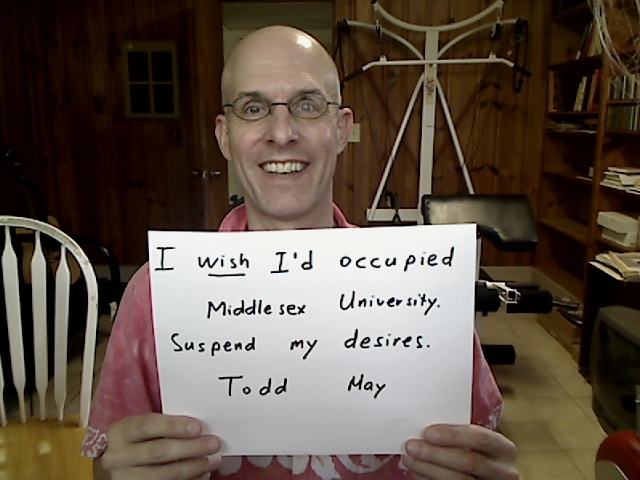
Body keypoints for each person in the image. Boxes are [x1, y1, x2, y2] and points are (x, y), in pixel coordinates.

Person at [83, 25, 518, 480]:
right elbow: (108, 466)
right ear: (225, 136)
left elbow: (479, 448)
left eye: (307, 105)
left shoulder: (425, 286)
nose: (282, 133)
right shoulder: (155, 294)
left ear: (342, 128)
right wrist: (113, 474)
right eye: (253, 108)